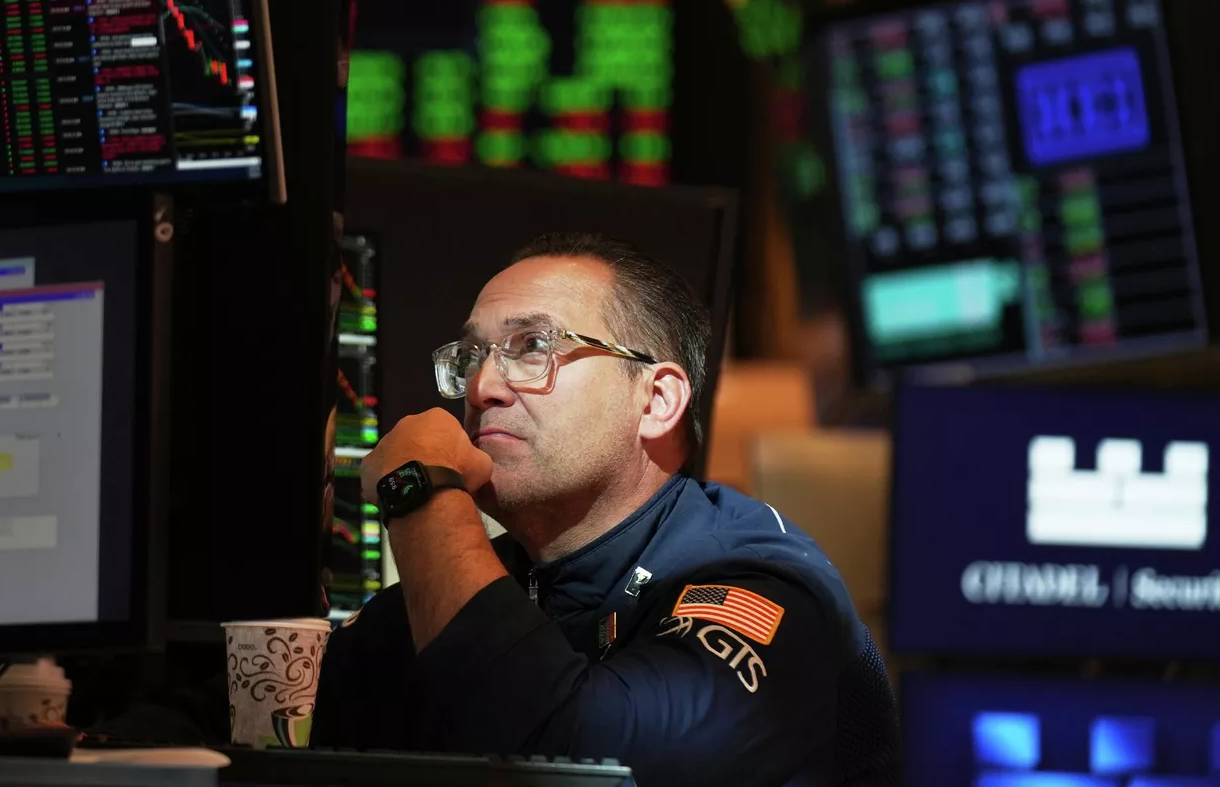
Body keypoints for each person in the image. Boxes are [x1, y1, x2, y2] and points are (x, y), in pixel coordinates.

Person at [312, 233, 899, 786]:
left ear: (658, 400)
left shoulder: (767, 586)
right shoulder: (476, 582)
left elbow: (571, 763)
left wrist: (421, 492)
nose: (481, 386)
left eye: (533, 346)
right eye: (471, 357)